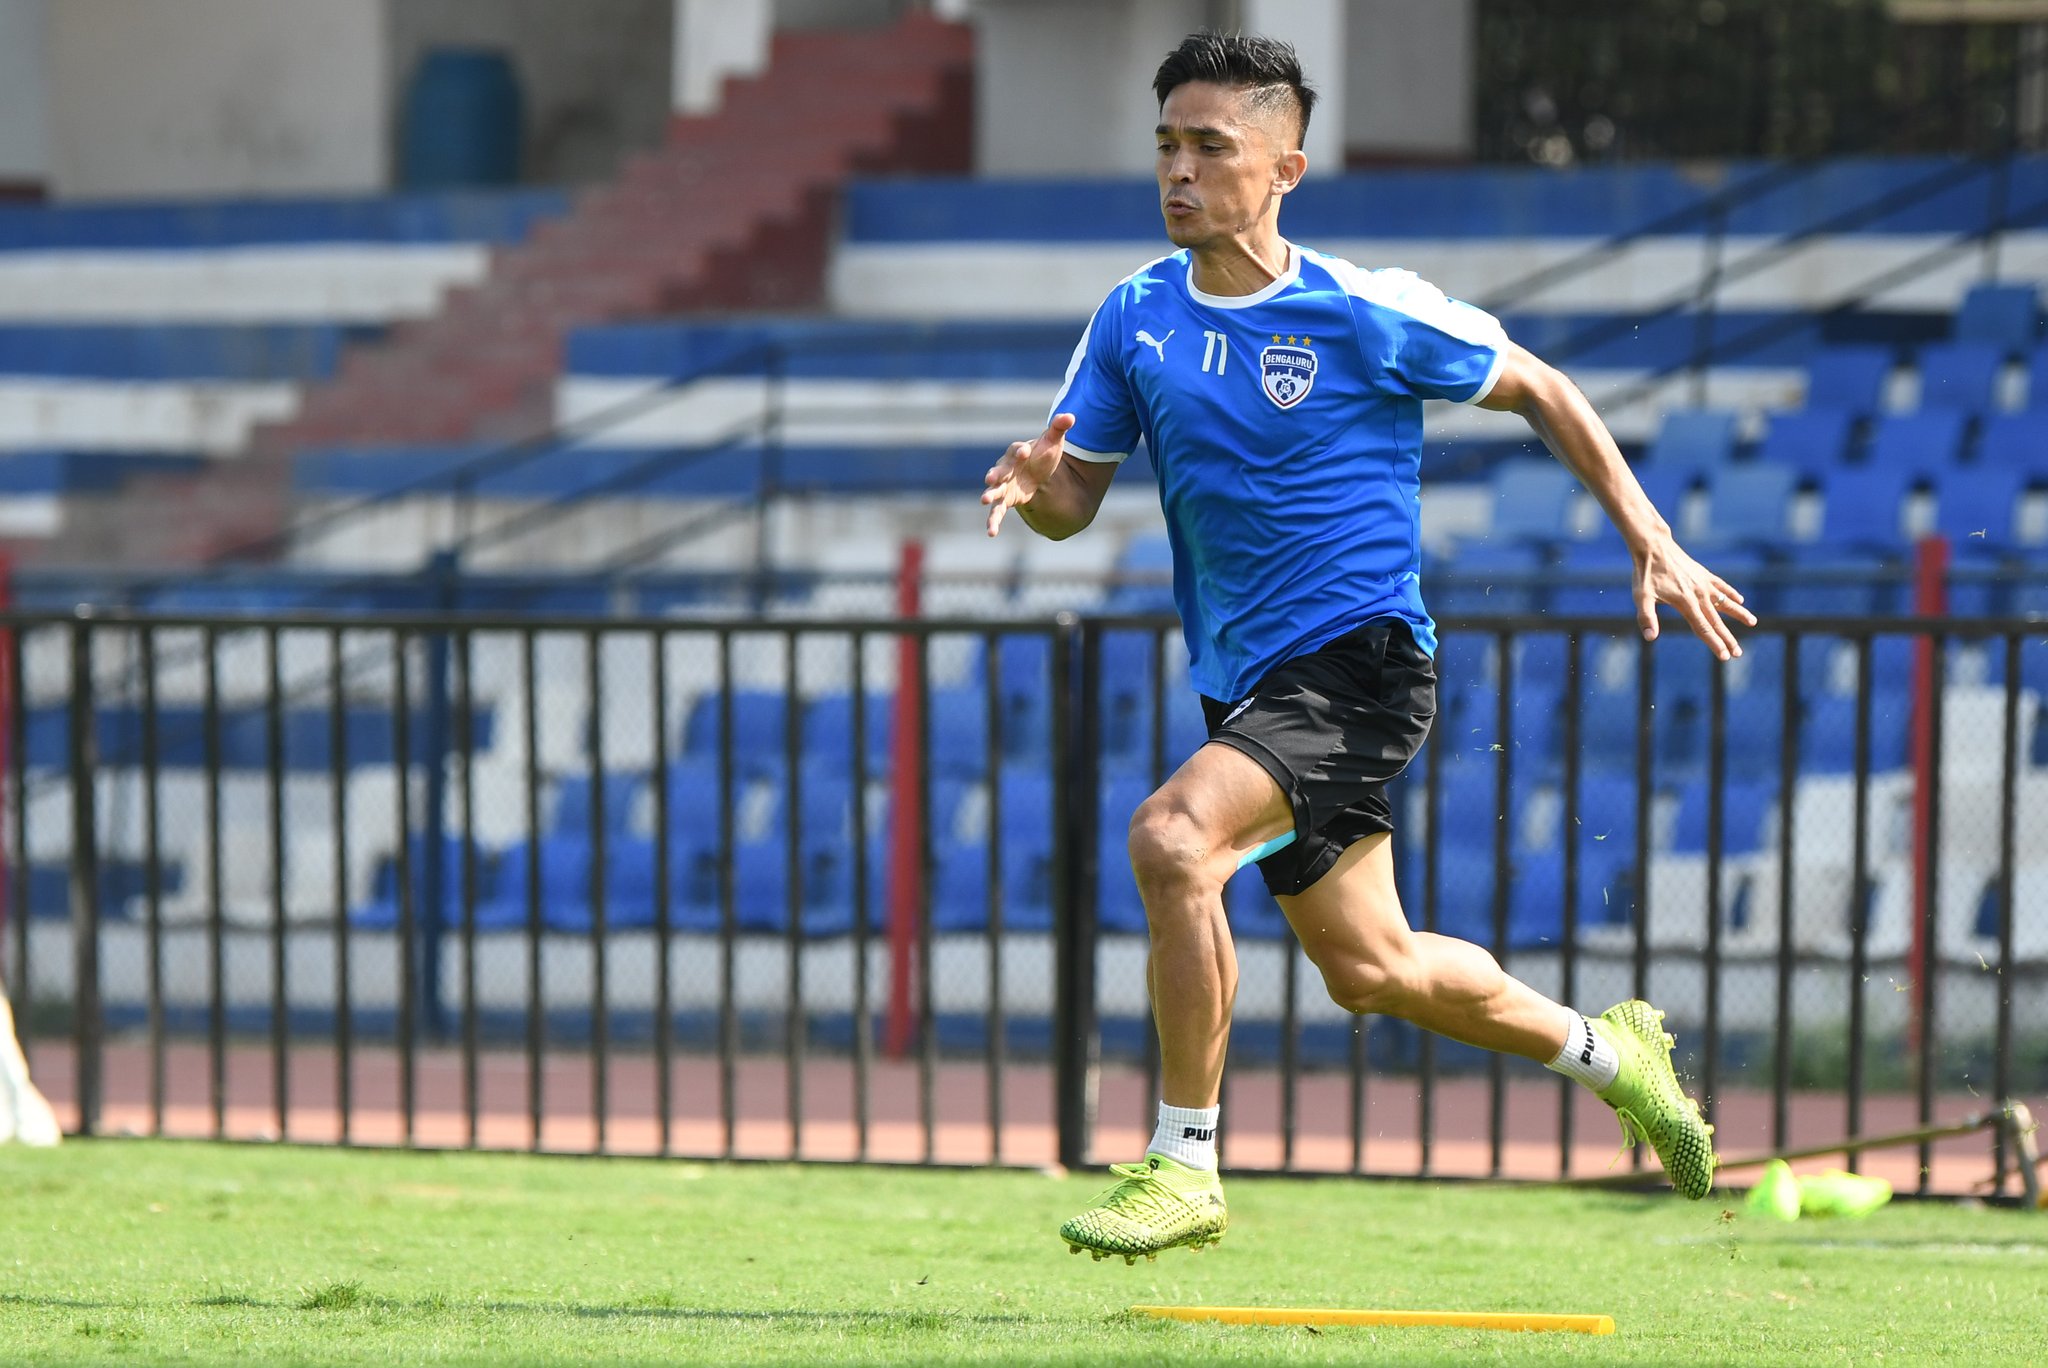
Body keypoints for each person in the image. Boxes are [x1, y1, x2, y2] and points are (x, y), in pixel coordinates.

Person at [980, 31, 1753, 1264]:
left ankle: (1182, 1163)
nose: (1178, 171)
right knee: (1372, 969)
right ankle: (1617, 1057)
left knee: (1172, 839)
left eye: (1209, 148)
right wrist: (1040, 482)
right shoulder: (1132, 317)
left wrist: (1648, 535)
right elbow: (1077, 502)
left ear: (1285, 165)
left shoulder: (1364, 308)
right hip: (1247, 688)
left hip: (1360, 660)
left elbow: (1542, 387)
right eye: (1166, 146)